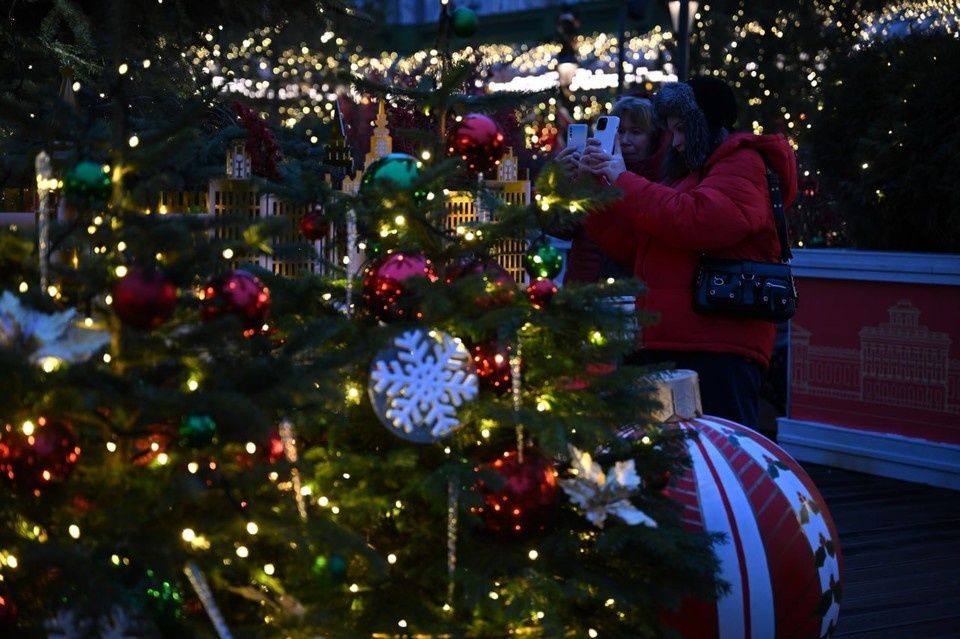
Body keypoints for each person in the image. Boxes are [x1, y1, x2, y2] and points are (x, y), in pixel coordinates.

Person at [578, 76, 798, 429]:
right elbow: (635, 246)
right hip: (672, 340)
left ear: (704, 124)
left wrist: (622, 179)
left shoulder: (743, 163)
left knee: (719, 449)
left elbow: (698, 220)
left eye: (681, 130)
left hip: (718, 346)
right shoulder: (689, 175)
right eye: (671, 131)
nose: (676, 143)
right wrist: (589, 189)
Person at [552, 95, 669, 284]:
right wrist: (559, 184)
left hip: (631, 292)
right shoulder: (592, 170)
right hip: (584, 290)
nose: (624, 140)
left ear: (654, 137)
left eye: (636, 132)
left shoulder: (662, 179)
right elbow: (559, 228)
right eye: (619, 131)